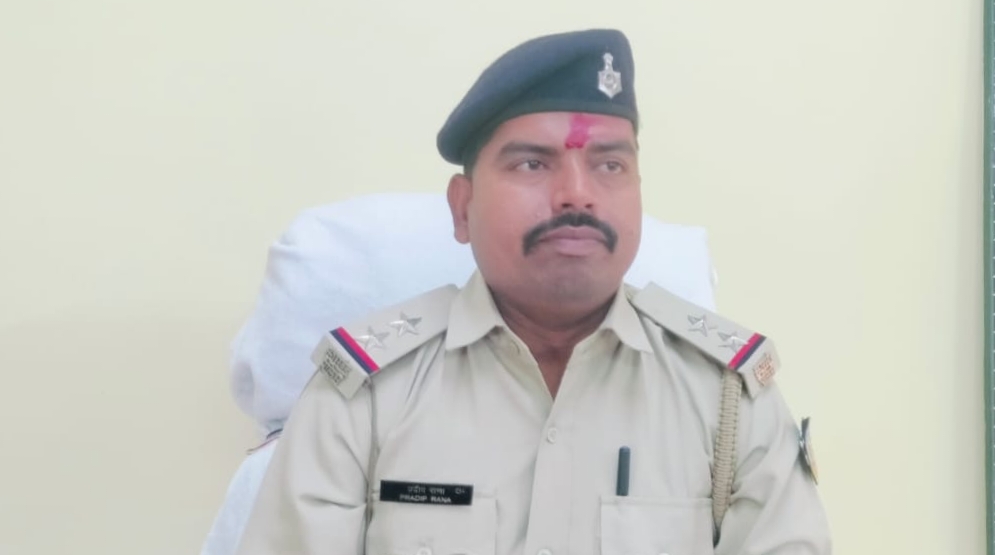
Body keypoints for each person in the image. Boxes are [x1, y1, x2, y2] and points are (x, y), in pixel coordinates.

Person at [233, 29, 832, 555]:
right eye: (532, 164)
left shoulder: (729, 401)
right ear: (462, 209)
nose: (577, 194)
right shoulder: (365, 399)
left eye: (610, 165)